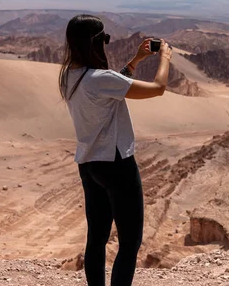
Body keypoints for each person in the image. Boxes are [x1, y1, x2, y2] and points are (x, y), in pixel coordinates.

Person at [58, 14, 173, 286]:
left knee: (96, 238)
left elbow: (110, 88)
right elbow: (158, 88)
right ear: (95, 43)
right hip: (116, 164)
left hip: (88, 164)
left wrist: (135, 60)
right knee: (130, 241)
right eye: (104, 40)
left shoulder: (69, 76)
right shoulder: (99, 78)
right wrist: (165, 57)